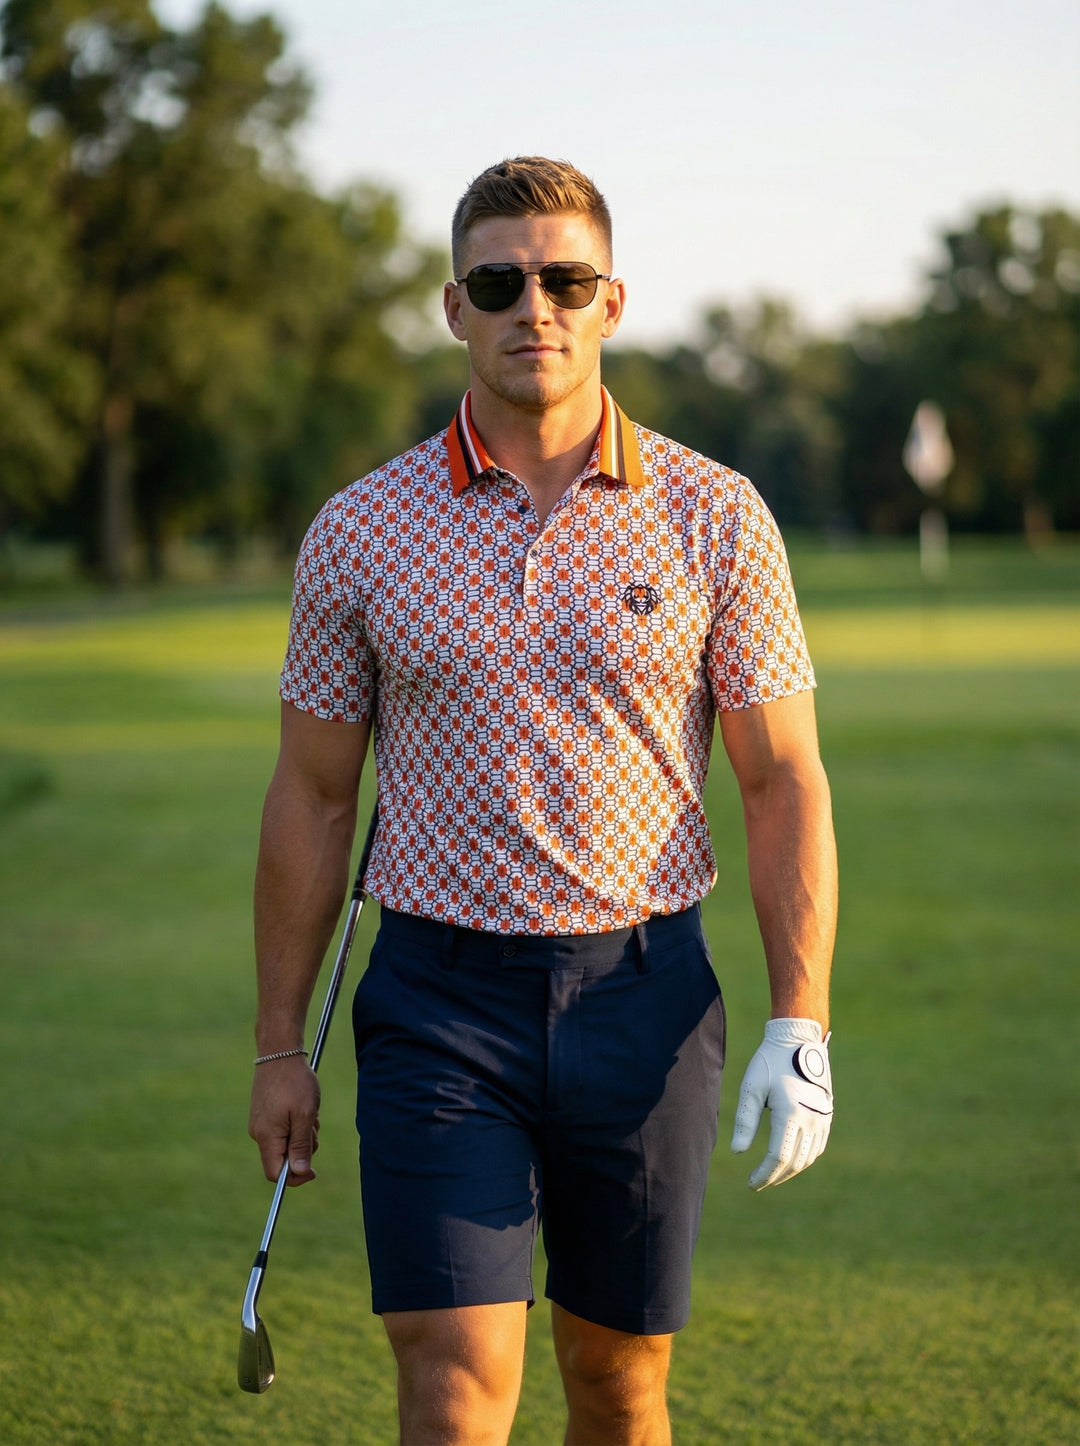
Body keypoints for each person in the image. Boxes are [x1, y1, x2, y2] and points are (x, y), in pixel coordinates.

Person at [248, 156, 837, 1446]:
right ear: (453, 308)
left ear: (611, 301)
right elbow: (312, 795)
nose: (536, 308)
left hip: (645, 999)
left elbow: (782, 776)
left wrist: (803, 1019)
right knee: (455, 1385)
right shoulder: (360, 529)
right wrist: (278, 1044)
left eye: (567, 280)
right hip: (437, 1008)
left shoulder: (717, 515)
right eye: (499, 283)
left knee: (619, 1386)